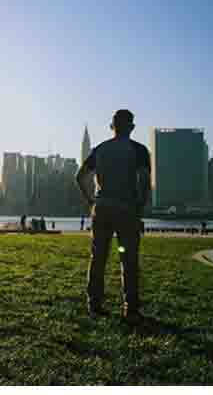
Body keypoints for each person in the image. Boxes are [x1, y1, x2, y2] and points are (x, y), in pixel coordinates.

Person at [75, 109, 152, 321]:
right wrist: (140, 207)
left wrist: (91, 200)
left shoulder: (100, 149)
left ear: (112, 126)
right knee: (128, 259)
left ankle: (94, 304)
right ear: (132, 127)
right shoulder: (139, 150)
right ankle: (130, 307)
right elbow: (144, 181)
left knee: (98, 257)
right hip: (126, 208)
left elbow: (80, 176)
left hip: (101, 208)